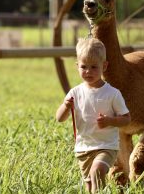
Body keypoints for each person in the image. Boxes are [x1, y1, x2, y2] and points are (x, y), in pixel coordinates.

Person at [56, 37, 131, 193]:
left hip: (106, 146)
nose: (88, 71)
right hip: (83, 148)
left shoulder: (112, 93)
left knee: (97, 170)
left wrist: (110, 120)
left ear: (104, 66)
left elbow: (126, 119)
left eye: (94, 67)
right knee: (90, 185)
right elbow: (59, 118)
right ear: (77, 66)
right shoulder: (75, 93)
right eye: (84, 67)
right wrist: (65, 106)